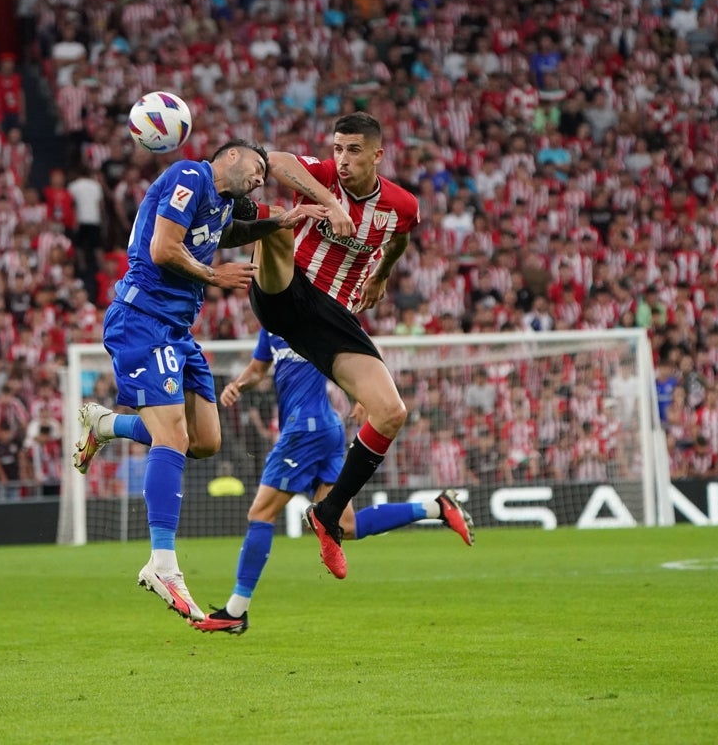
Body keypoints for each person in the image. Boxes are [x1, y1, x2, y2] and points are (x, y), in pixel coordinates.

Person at [70, 138, 324, 622]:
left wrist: (277, 221)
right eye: (256, 166)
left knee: (204, 441)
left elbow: (224, 232)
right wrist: (214, 275)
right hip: (142, 319)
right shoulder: (191, 176)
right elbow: (163, 248)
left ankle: (105, 425)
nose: (260, 176)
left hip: (177, 331)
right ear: (230, 155)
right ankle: (163, 563)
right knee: (173, 436)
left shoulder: (220, 205)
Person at [249, 112, 474, 579]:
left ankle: (328, 514)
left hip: (330, 317)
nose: (342, 159)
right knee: (274, 223)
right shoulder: (324, 175)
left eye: (353, 150)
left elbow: (399, 238)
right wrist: (329, 202)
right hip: (286, 290)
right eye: (337, 148)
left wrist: (382, 274)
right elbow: (274, 159)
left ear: (377, 155)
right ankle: (213, 222)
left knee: (391, 412)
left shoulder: (401, 205)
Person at [194, 329, 459, 635]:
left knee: (260, 514)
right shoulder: (270, 326)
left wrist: (364, 397)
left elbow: (364, 351)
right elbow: (257, 369)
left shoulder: (307, 314)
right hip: (326, 429)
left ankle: (235, 612)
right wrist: (237, 385)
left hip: (304, 431)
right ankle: (436, 507)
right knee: (345, 526)